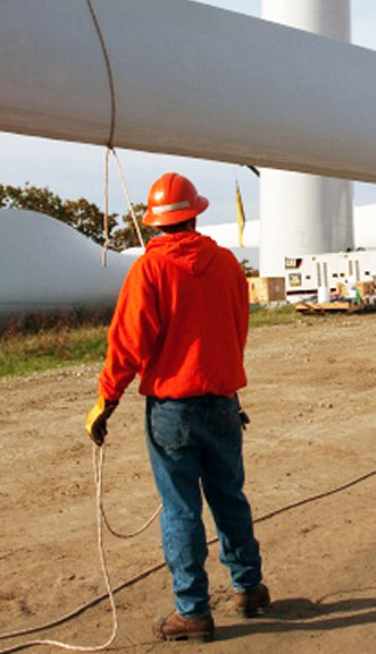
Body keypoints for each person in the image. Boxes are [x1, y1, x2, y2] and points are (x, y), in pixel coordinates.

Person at [85, 172, 268, 642]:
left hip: (173, 411)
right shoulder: (227, 264)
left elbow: (127, 343)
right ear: (195, 213)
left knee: (181, 510)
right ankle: (248, 588)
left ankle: (193, 611)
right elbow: (235, 330)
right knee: (230, 496)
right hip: (224, 403)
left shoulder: (149, 270)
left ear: (156, 222)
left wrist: (107, 400)